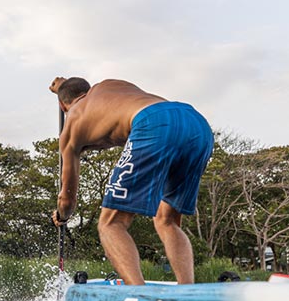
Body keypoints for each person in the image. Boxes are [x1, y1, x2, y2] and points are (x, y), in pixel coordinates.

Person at [49, 77, 213, 285]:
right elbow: (75, 88)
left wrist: (62, 216)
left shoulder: (72, 121)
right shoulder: (110, 86)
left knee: (111, 224)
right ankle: (188, 292)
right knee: (167, 220)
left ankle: (138, 295)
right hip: (196, 123)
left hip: (152, 122)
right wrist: (62, 87)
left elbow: (67, 201)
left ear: (62, 105)